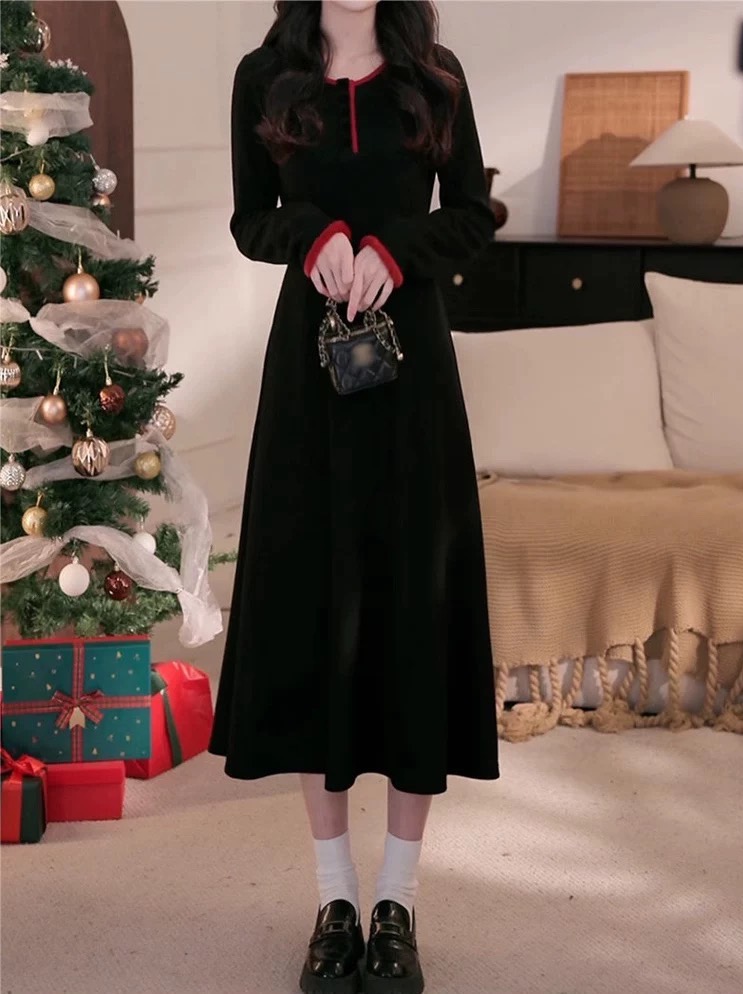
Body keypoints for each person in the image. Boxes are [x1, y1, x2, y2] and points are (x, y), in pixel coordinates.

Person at [208, 2, 501, 991]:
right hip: (309, 378)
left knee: (413, 610)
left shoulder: (436, 76)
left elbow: (473, 214)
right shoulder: (263, 77)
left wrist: (395, 251)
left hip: (413, 381)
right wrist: (314, 235)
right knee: (311, 611)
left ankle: (397, 902)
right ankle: (334, 896)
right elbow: (251, 218)